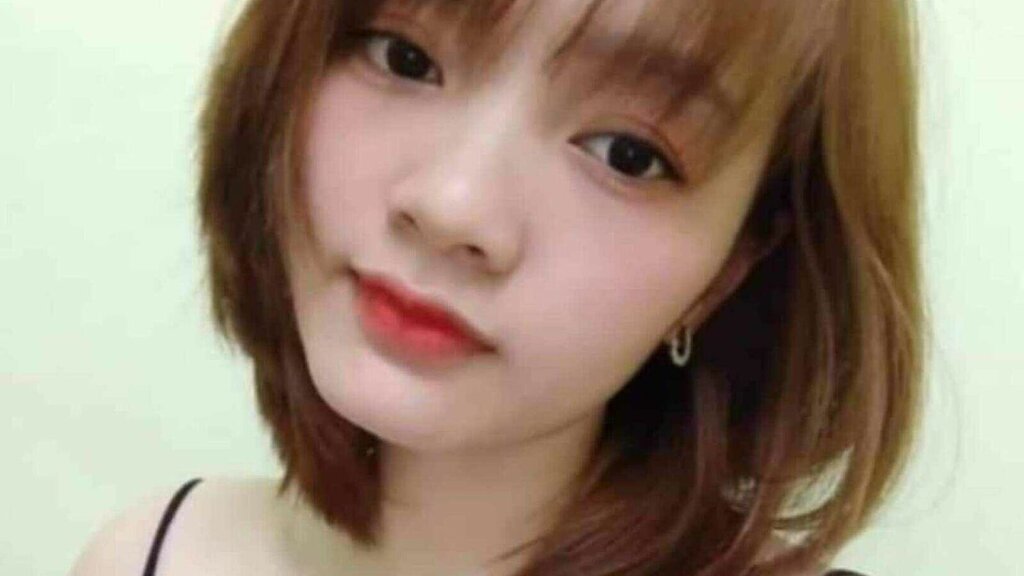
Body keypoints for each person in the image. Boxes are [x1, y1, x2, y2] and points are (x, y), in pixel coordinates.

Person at [71, 0, 924, 575]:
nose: (454, 206)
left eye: (627, 154)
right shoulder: (151, 556)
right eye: (404, 57)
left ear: (733, 267)